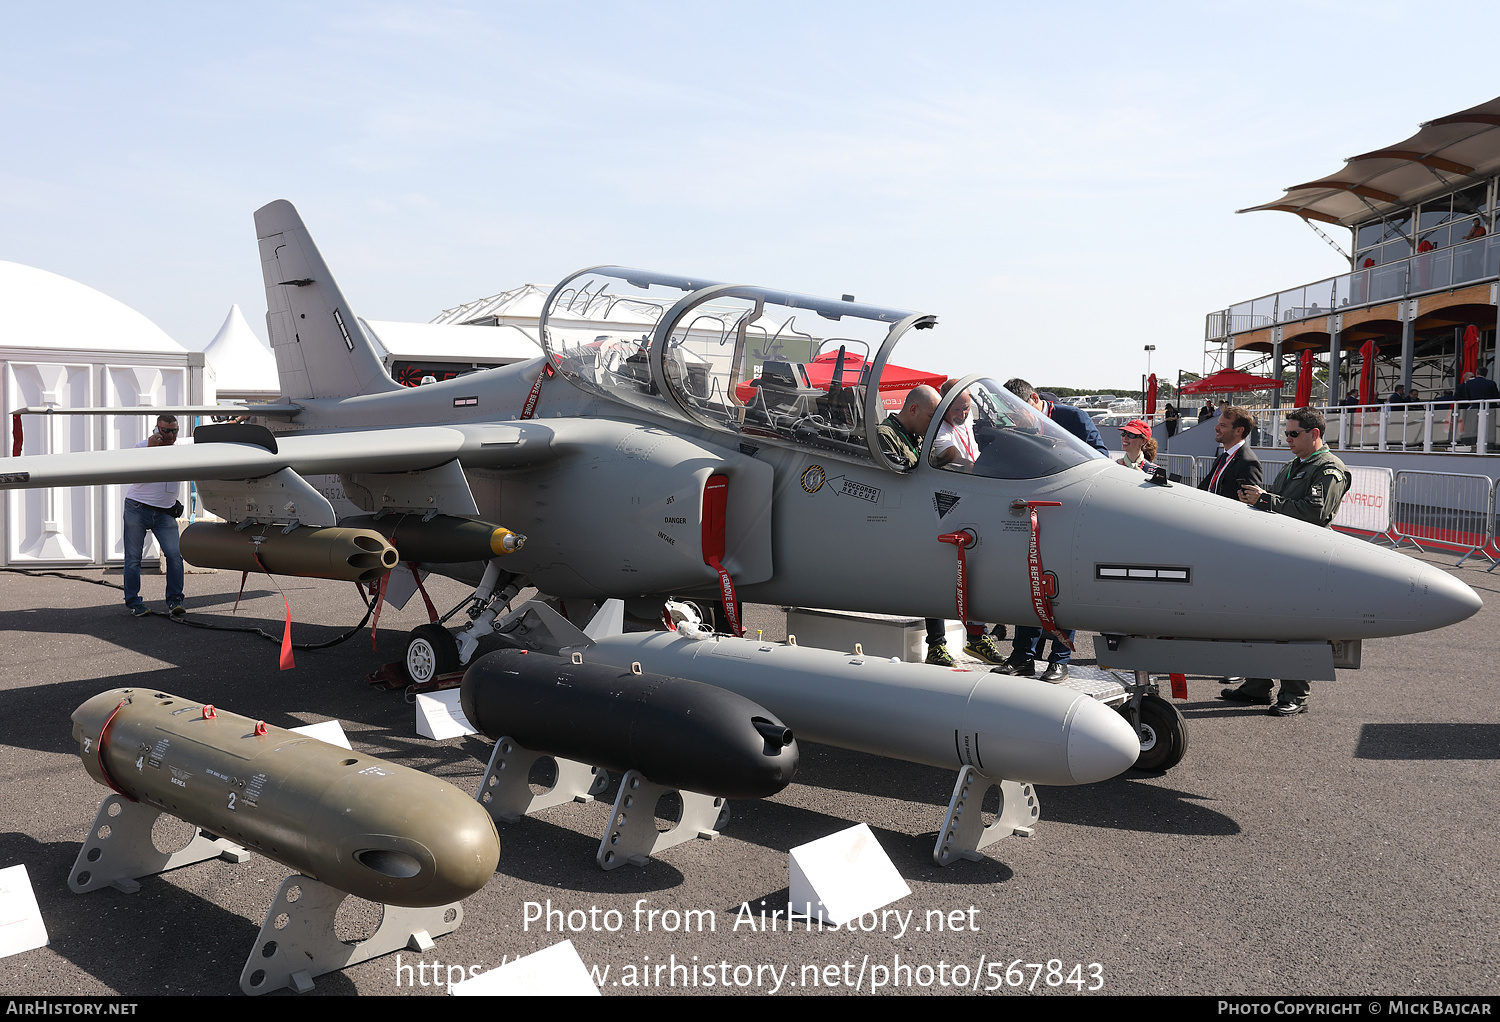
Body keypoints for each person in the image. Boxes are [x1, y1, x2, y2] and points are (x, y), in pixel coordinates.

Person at [1225, 407, 1350, 716]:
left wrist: (1265, 499)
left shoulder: (1328, 468)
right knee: (1262, 621)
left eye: (1294, 434)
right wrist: (1258, 499)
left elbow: (1315, 514)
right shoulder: (1294, 465)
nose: (1288, 439)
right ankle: (1257, 685)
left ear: (1315, 434)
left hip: (1306, 558)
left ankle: (1295, 694)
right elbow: (1279, 503)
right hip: (1280, 555)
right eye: (1287, 433)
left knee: (1296, 628)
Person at [925, 383, 1006, 666]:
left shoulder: (965, 420)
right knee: (935, 578)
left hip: (969, 505)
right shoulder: (938, 431)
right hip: (943, 507)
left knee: (972, 574)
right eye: (957, 408)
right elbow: (954, 458)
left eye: (966, 407)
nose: (962, 413)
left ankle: (976, 637)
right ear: (944, 407)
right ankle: (935, 646)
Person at [123, 415, 186, 618]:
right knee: (133, 558)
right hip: (137, 508)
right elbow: (134, 476)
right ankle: (133, 602)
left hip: (164, 512)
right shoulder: (141, 448)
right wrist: (151, 451)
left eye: (174, 431)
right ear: (156, 430)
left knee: (175, 556)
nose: (169, 435)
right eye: (165, 431)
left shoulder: (180, 451)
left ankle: (175, 600)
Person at [1002, 379, 1108, 456]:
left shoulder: (1074, 417)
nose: (1015, 421)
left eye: (1018, 413)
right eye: (1010, 415)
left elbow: (1101, 454)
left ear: (1034, 398)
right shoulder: (1010, 426)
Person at [1198, 406, 1261, 498]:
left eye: (1222, 425)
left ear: (1239, 431)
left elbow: (1249, 502)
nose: (1216, 428)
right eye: (1218, 424)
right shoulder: (1222, 457)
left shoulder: (1248, 463)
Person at [877, 385, 939, 469]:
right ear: (913, 409)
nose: (934, 423)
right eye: (931, 417)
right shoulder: (884, 436)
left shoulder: (919, 437)